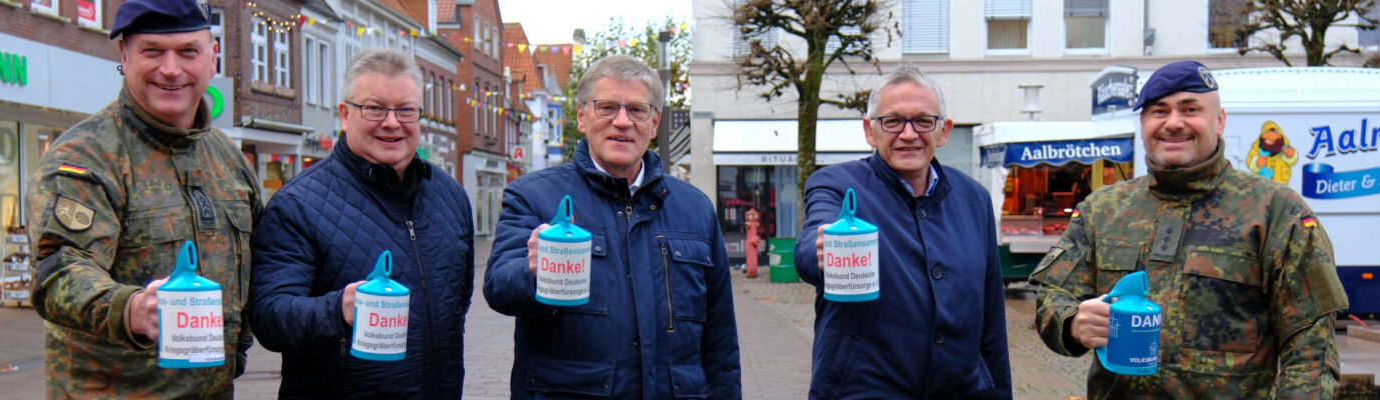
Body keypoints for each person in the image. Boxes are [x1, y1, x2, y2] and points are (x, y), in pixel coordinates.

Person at [1030, 60, 1348, 398]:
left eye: (1190, 109)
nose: (1173, 123)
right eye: (1159, 111)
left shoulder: (1276, 212)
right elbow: (1052, 297)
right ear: (1143, 123)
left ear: (1220, 121)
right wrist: (1074, 323)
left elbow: (1311, 350)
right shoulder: (1103, 209)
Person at [24, 0, 259, 397]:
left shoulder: (229, 160)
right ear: (124, 55)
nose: (171, 69)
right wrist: (129, 309)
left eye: (188, 51)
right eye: (152, 51)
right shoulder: (84, 157)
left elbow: (264, 268)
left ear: (212, 58)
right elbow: (58, 269)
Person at [484, 55, 741, 399]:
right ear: (581, 116)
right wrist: (532, 272)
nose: (622, 121)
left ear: (654, 123)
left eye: (637, 110)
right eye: (606, 107)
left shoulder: (695, 209)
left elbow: (720, 338)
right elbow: (499, 288)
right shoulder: (534, 196)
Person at [247, 48, 474, 398]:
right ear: (345, 114)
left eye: (406, 110)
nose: (392, 122)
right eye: (374, 108)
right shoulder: (298, 205)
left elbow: (458, 303)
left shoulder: (451, 197)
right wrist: (337, 309)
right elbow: (269, 317)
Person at [794, 65, 1012, 399]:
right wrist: (820, 249)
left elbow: (992, 319)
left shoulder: (974, 199)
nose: (908, 134)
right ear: (870, 131)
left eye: (923, 121)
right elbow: (812, 243)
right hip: (863, 391)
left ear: (943, 131)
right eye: (893, 121)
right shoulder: (836, 185)